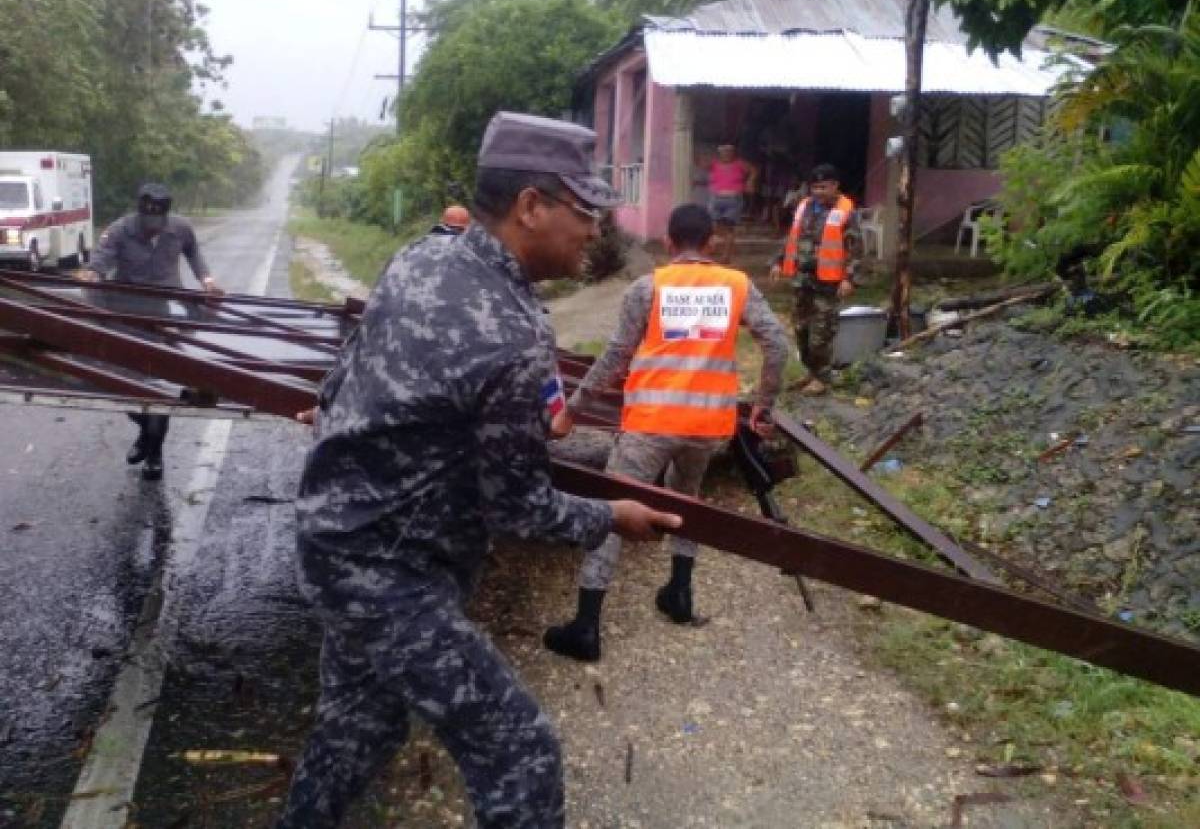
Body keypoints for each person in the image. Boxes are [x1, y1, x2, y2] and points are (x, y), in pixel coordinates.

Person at [277, 111, 683, 829]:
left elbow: (349, 370)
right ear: (531, 206)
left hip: (335, 541)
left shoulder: (422, 257)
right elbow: (520, 507)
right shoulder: (512, 335)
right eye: (584, 209)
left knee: (357, 732)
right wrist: (610, 519)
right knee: (519, 750)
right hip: (389, 576)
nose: (594, 228)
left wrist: (337, 417)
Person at [543, 203, 790, 663]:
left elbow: (616, 355)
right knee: (686, 502)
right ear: (711, 241)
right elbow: (776, 344)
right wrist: (763, 408)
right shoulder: (737, 285)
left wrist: (573, 411)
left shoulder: (649, 287)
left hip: (651, 423)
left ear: (670, 242)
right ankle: (679, 594)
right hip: (706, 425)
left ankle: (586, 626)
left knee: (612, 512)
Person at [80, 182, 222, 479]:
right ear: (140, 212)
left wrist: (206, 279)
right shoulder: (120, 229)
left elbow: (194, 252)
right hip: (126, 313)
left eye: (158, 223)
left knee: (163, 383)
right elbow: (102, 258)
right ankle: (147, 431)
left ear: (166, 217)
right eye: (148, 222)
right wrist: (93, 274)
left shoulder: (180, 228)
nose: (153, 229)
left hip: (166, 312)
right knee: (123, 383)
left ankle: (155, 454)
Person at [770, 163, 863, 396]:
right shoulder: (805, 207)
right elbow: (791, 237)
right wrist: (777, 261)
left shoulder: (845, 211)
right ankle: (810, 372)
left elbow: (856, 249)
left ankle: (822, 376)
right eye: (815, 188)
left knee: (822, 330)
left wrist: (849, 278)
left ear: (835, 186)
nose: (818, 192)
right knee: (801, 328)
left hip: (828, 282)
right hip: (803, 279)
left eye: (823, 187)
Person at [706, 143, 757, 264]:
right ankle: (712, 250)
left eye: (729, 151)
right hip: (716, 197)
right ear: (719, 153)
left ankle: (726, 256)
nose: (726, 154)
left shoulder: (740, 164)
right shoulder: (714, 163)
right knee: (713, 227)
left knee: (729, 228)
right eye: (723, 151)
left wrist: (750, 181)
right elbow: (699, 162)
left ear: (733, 153)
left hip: (733, 199)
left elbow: (754, 170)